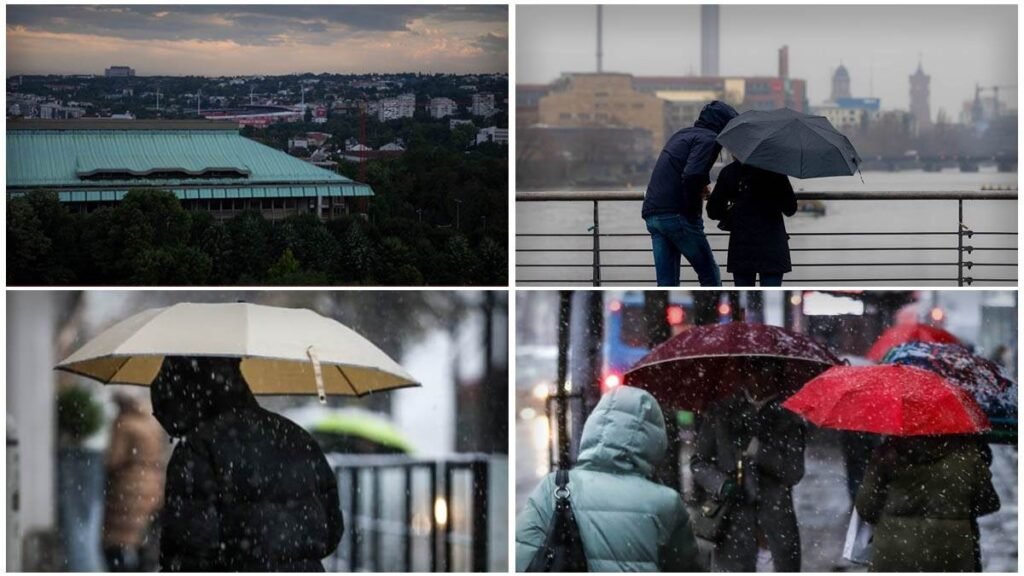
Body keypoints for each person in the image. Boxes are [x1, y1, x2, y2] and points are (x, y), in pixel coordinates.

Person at [151, 356, 344, 571]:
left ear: (185, 397)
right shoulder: (296, 436)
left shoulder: (198, 449)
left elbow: (190, 551)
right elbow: (331, 531)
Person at [515, 386, 702, 572]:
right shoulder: (666, 502)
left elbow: (522, 558)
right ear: (655, 439)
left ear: (592, 427)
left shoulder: (555, 486)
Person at [690, 369, 806, 572]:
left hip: (775, 528)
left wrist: (760, 452)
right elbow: (699, 462)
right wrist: (721, 484)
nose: (758, 378)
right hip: (732, 528)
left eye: (765, 370)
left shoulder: (789, 417)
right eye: (752, 370)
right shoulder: (722, 411)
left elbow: (794, 471)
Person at [855, 435, 1000, 572]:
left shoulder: (887, 454)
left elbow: (866, 507)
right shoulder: (967, 455)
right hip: (951, 554)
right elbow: (989, 503)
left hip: (894, 553)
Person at [642, 100, 738, 287]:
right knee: (709, 274)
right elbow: (692, 173)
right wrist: (692, 211)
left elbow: (681, 170)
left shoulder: (682, 135)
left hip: (653, 214)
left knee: (666, 282)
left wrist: (700, 184)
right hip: (677, 215)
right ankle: (714, 307)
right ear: (723, 125)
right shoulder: (710, 139)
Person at [706, 160, 797, 286]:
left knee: (745, 299)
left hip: (742, 246)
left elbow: (713, 211)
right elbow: (790, 208)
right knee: (770, 298)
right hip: (772, 246)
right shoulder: (775, 170)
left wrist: (733, 211)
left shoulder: (730, 171)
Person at [103, 392, 166, 572]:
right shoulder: (152, 422)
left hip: (129, 485)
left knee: (118, 540)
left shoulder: (124, 424)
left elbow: (114, 459)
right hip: (153, 484)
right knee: (141, 538)